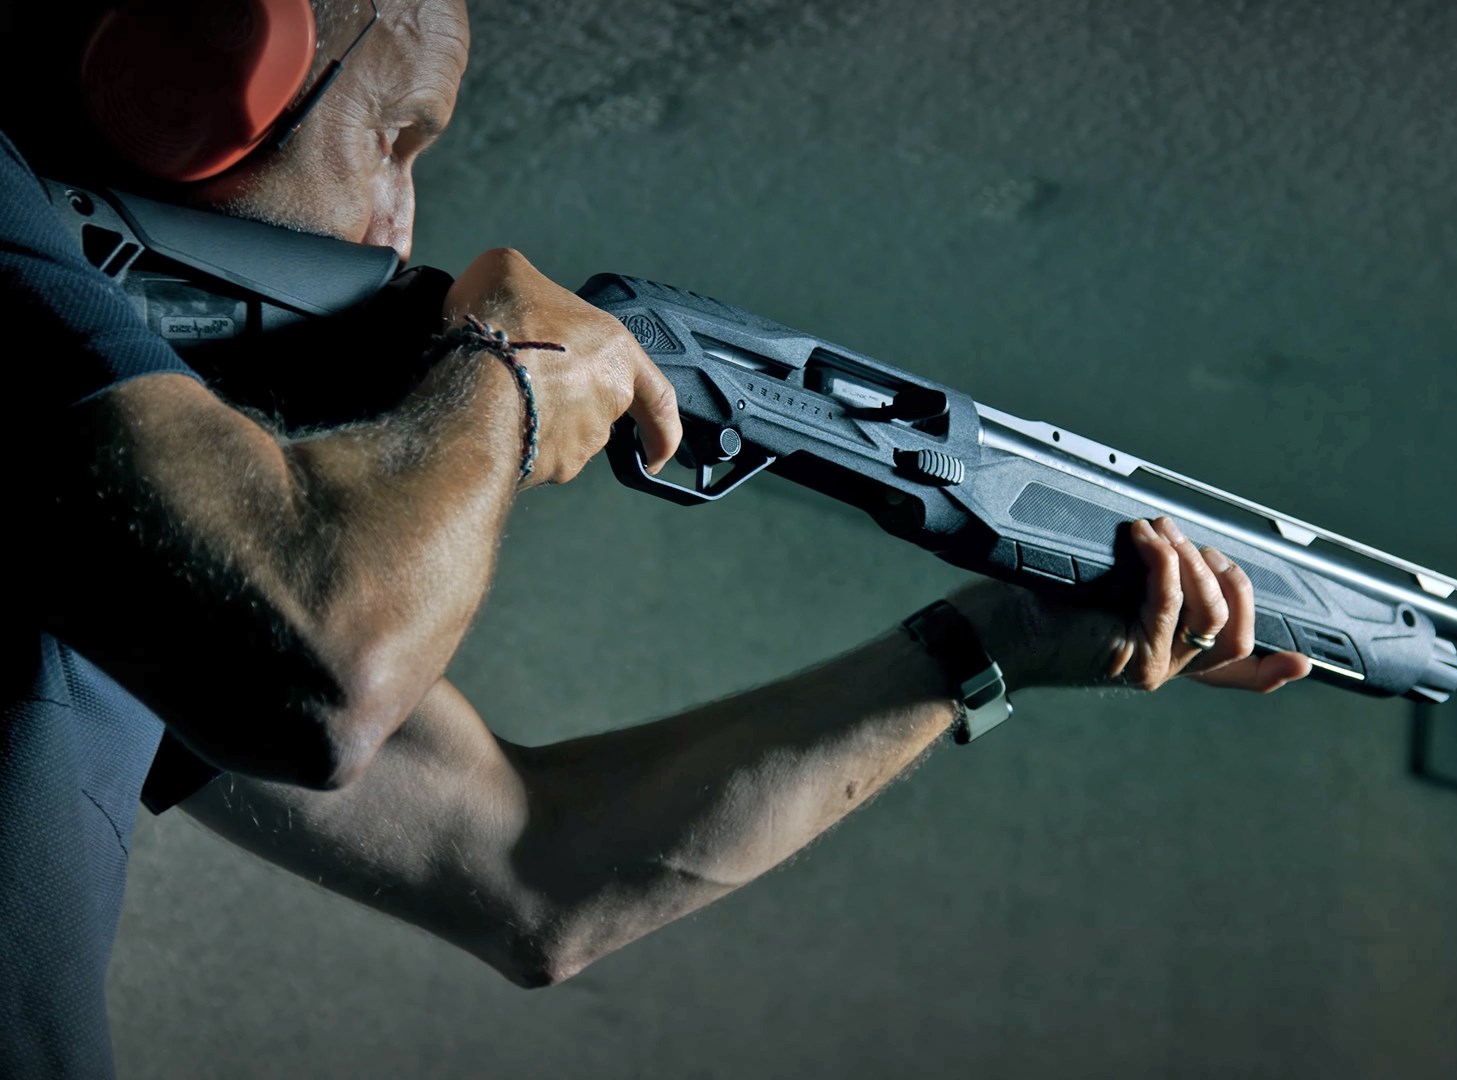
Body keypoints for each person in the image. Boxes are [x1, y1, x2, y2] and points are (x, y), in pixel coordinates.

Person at [0, 0, 1312, 1074]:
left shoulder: (136, 534)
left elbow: (535, 870)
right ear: (202, 68)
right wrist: (503, 378)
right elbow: (320, 673)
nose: (403, 218)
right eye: (394, 134)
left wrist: (998, 645)